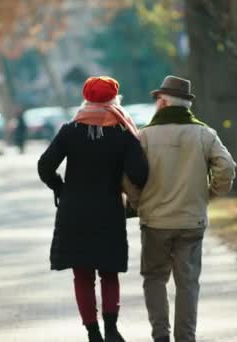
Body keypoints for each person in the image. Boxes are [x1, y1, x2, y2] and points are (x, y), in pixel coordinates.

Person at [124, 76, 236, 342]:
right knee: (187, 284)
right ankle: (186, 338)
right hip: (191, 221)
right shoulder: (205, 134)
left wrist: (139, 203)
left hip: (155, 223)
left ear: (163, 102)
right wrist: (207, 195)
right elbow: (227, 169)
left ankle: (161, 336)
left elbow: (128, 176)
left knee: (154, 279)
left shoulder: (145, 136)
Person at [38, 76, 149, 342]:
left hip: (74, 212)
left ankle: (93, 332)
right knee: (109, 272)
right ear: (115, 101)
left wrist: (60, 187)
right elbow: (141, 173)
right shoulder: (122, 133)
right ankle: (111, 329)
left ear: (85, 100)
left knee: (82, 274)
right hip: (108, 211)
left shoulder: (70, 130)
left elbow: (45, 166)